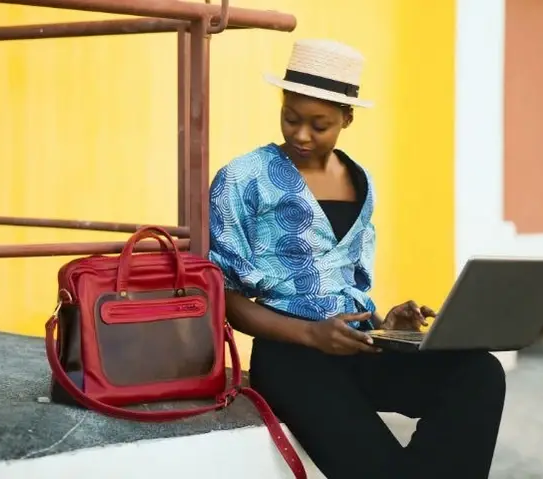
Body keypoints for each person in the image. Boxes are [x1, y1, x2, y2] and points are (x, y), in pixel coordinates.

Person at [208, 39, 505, 479]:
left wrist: (390, 325)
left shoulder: (361, 180)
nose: (301, 134)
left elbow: (348, 283)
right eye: (291, 118)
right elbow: (226, 297)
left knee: (479, 373)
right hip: (292, 360)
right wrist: (312, 336)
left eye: (319, 124)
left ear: (347, 119)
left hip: (362, 348)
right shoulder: (242, 178)